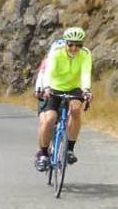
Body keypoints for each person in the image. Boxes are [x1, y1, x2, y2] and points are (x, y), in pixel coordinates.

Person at [35, 27, 93, 171]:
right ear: (66, 43)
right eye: (71, 44)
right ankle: (43, 154)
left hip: (74, 88)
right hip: (54, 88)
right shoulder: (56, 53)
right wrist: (47, 87)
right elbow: (49, 71)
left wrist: (86, 90)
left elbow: (85, 74)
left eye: (78, 45)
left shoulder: (85, 54)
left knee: (75, 110)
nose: (74, 48)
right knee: (49, 119)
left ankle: (70, 150)